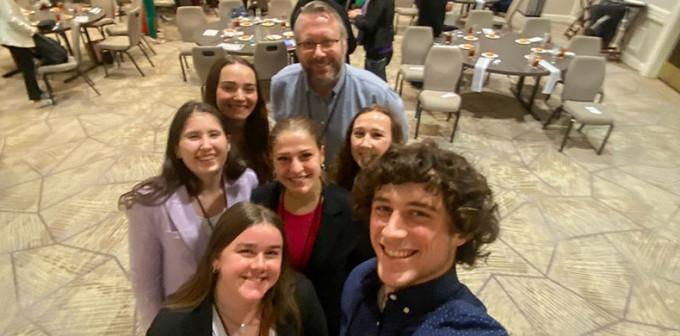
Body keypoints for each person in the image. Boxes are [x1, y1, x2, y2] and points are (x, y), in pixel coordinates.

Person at [340, 142, 508, 335]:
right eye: (384, 209)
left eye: (418, 213)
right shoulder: (360, 278)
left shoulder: (466, 328)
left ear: (463, 230)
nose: (390, 232)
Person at [119, 101, 259, 330]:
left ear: (228, 141)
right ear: (176, 148)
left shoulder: (246, 182)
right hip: (186, 314)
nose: (206, 145)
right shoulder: (149, 203)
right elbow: (145, 283)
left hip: (238, 307)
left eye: (214, 134)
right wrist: (156, 329)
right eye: (193, 137)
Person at [251, 116, 373, 335]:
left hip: (327, 325)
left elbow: (364, 281)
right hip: (268, 321)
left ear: (322, 154)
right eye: (284, 159)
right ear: (272, 162)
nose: (296, 168)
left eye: (305, 156)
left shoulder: (351, 211)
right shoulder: (260, 200)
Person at [147, 202, 328, 336]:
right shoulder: (172, 327)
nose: (259, 265)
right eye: (246, 252)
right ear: (216, 258)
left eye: (271, 253)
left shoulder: (300, 298)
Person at [271, 0, 408, 165]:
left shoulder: (379, 95)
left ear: (344, 44)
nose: (319, 53)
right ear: (296, 48)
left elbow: (399, 159)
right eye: (308, 44)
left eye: (328, 42)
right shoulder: (281, 85)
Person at [204, 56, 273, 183]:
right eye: (229, 88)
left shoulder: (270, 132)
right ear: (213, 90)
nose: (240, 97)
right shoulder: (200, 139)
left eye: (249, 89)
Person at [332, 104, 404, 191]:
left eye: (377, 135)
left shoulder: (406, 187)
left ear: (394, 141)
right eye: (359, 134)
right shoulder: (337, 184)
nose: (365, 144)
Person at [0, 0, 49, 103]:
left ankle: (36, 93)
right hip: (13, 36)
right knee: (27, 66)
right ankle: (35, 94)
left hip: (11, 35)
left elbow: (14, 12)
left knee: (27, 65)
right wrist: (30, 30)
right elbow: (11, 19)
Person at [290, 0, 357, 61]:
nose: (318, 54)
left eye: (327, 42)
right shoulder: (338, 9)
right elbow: (351, 46)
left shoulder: (300, 7)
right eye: (309, 43)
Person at [347, 0, 394, 81]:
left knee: (376, 82)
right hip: (380, 45)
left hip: (377, 46)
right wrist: (362, 13)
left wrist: (356, 17)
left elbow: (369, 25)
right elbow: (375, 15)